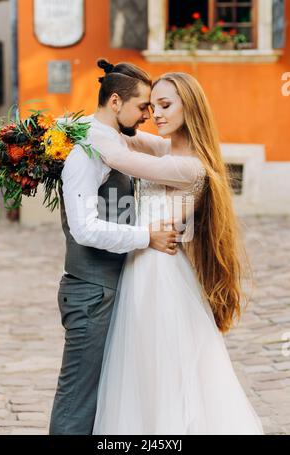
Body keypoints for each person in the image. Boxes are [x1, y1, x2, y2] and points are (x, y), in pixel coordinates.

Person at [89, 64, 264, 435]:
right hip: (143, 265)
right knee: (144, 369)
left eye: (166, 105)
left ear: (191, 108)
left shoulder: (191, 167)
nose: (157, 115)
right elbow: (128, 138)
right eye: (152, 106)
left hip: (160, 274)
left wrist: (80, 129)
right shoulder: (167, 149)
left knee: (165, 367)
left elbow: (120, 156)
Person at [49, 60, 180, 435]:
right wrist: (146, 236)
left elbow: (162, 147)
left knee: (99, 398)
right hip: (90, 292)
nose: (147, 116)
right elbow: (84, 228)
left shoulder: (112, 140)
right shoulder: (88, 150)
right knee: (79, 401)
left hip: (103, 288)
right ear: (117, 101)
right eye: (143, 107)